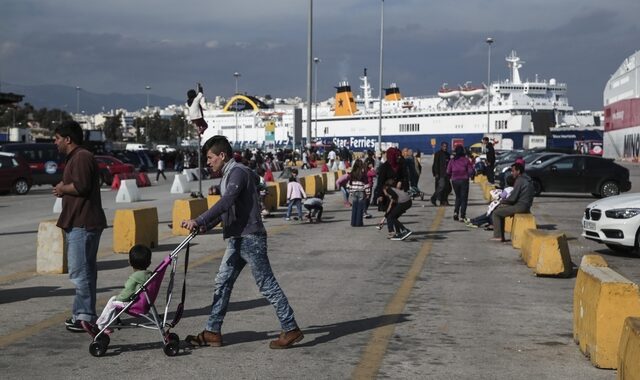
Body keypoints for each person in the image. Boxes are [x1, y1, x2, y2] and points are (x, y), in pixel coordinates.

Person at [181, 135, 303, 349]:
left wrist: (199, 219)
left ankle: (290, 327)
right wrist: (204, 226)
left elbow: (226, 201)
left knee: (266, 284)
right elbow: (229, 209)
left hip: (250, 238)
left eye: (210, 158)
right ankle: (212, 330)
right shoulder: (229, 174)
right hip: (237, 239)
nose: (208, 162)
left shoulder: (237, 172)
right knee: (223, 282)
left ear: (222, 155)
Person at [53, 121, 107, 332]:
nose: (55, 143)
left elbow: (82, 186)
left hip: (83, 223)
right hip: (80, 222)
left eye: (57, 138)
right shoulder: (76, 157)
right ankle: (83, 313)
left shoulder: (82, 157)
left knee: (80, 272)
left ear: (68, 139)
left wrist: (62, 188)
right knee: (85, 271)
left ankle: (84, 316)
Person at [81, 245, 153, 334]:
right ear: (149, 263)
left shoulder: (135, 278)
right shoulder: (149, 275)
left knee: (113, 303)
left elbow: (127, 292)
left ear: (129, 262)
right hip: (143, 302)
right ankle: (110, 322)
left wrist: (119, 298)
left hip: (134, 304)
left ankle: (100, 325)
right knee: (113, 299)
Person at [491, 163, 534, 242]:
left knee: (496, 213)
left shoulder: (520, 180)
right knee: (501, 210)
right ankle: (501, 236)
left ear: (518, 171)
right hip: (526, 205)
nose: (512, 173)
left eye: (513, 171)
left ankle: (498, 236)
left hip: (521, 206)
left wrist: (501, 201)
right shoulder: (527, 178)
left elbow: (513, 198)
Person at [446, 145, 474, 221]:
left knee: (458, 197)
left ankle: (455, 212)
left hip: (455, 181)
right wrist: (470, 175)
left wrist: (450, 176)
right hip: (464, 180)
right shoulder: (466, 160)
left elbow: (448, 171)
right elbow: (471, 171)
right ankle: (462, 216)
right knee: (464, 198)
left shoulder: (452, 160)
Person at [374, 147, 406, 211]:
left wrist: (400, 181)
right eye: (396, 156)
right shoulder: (384, 167)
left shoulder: (399, 165)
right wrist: (380, 195)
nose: (397, 158)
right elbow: (380, 182)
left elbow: (403, 177)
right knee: (389, 211)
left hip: (397, 191)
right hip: (387, 193)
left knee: (395, 210)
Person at [346, 159, 371, 227]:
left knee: (354, 207)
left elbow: (349, 184)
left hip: (354, 192)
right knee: (360, 208)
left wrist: (351, 192)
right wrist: (368, 193)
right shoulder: (363, 174)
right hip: (361, 192)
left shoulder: (352, 173)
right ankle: (359, 223)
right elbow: (366, 184)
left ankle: (353, 223)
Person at [430, 142, 450, 206]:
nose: (445, 147)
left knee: (448, 188)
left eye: (446, 146)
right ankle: (434, 198)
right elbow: (435, 164)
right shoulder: (438, 154)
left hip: (446, 174)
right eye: (444, 146)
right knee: (441, 187)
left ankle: (443, 201)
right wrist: (436, 173)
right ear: (441, 146)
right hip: (440, 174)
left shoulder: (447, 154)